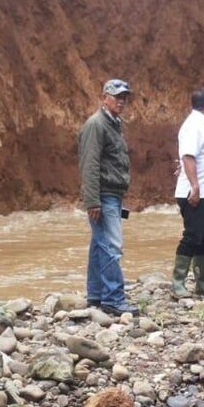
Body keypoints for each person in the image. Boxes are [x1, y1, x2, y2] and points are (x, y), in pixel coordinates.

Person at [77, 79, 140, 317]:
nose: (121, 101)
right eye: (116, 96)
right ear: (104, 97)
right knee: (111, 246)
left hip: (110, 193)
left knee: (99, 245)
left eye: (124, 97)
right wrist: (93, 200)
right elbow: (89, 163)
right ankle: (114, 298)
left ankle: (96, 295)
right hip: (103, 195)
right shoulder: (97, 125)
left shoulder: (113, 124)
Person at [172, 87, 204, 298]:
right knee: (193, 236)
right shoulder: (194, 125)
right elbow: (188, 156)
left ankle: (202, 282)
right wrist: (194, 186)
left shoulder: (203, 124)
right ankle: (178, 282)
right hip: (196, 192)